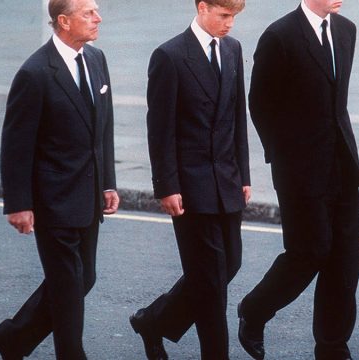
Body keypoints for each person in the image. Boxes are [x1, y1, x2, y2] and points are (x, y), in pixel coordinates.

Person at [0, 0, 119, 359]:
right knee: (67, 285)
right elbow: (16, 145)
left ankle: (13, 338)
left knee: (83, 278)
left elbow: (103, 129)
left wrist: (108, 181)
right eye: (88, 13)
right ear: (63, 21)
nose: (98, 18)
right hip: (53, 199)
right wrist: (18, 204)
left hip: (89, 194)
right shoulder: (35, 73)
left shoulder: (96, 59)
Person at [237, 1, 359, 359]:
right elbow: (259, 103)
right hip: (299, 168)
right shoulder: (279, 36)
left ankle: (332, 347)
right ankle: (255, 310)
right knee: (309, 252)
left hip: (341, 162)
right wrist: (285, 156)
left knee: (346, 260)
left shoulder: (346, 30)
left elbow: (334, 101)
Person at [128, 1, 249, 359]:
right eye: (223, 16)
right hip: (190, 185)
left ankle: (154, 321)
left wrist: (243, 172)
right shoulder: (169, 56)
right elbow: (160, 130)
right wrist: (166, 186)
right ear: (201, 7)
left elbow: (236, 116)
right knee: (210, 282)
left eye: (234, 17)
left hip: (227, 179)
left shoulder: (233, 49)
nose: (229, 24)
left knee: (229, 265)